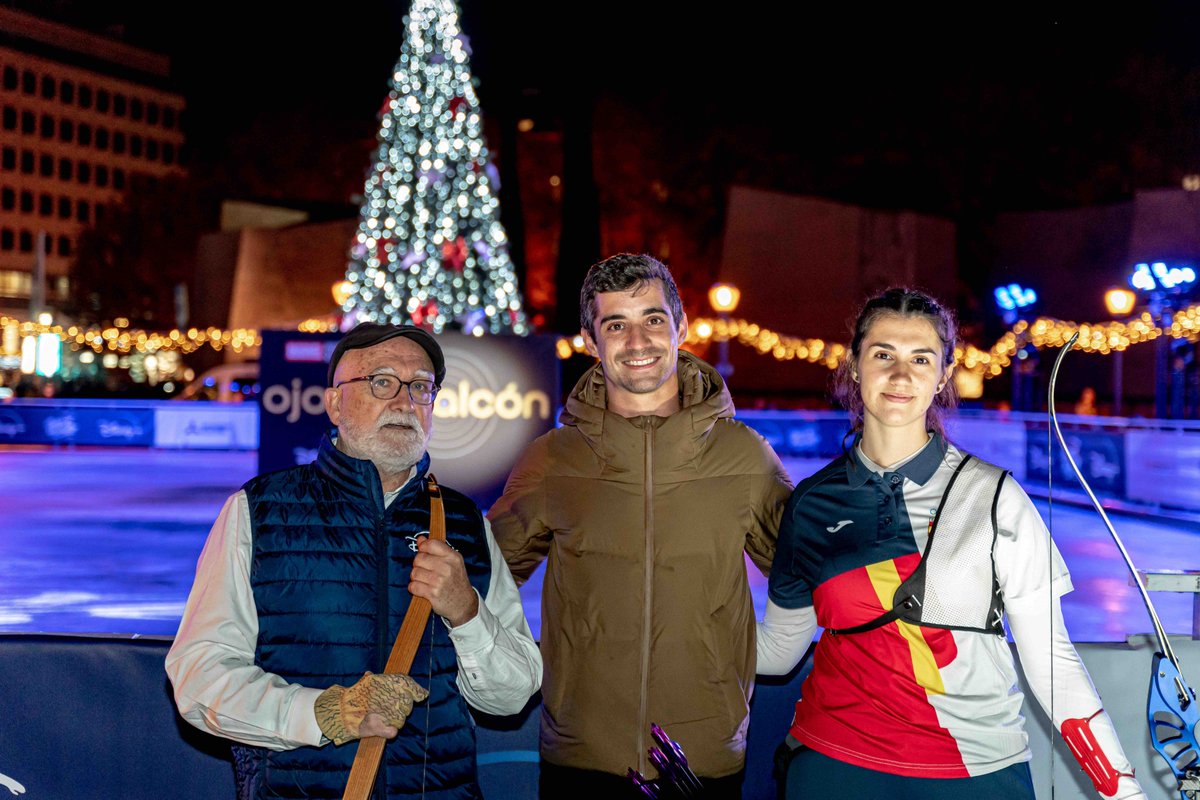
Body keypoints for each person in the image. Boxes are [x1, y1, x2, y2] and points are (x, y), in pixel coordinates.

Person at [757, 288, 1146, 799]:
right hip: (834, 764)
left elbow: (1051, 663)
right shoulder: (811, 504)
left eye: (921, 358)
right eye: (882, 355)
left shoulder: (994, 497)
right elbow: (780, 652)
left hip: (975, 771)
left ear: (943, 374)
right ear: (854, 365)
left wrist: (1123, 790)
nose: (901, 376)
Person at [166, 323, 542, 800]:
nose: (405, 402)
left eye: (421, 387)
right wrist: (325, 712)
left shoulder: (466, 523)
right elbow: (199, 677)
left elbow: (511, 696)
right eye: (381, 382)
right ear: (336, 404)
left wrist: (466, 611)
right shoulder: (259, 510)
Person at [488, 253, 793, 798]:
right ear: (589, 339)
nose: (638, 341)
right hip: (581, 761)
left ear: (680, 327)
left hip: (704, 761)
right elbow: (483, 577)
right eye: (616, 324)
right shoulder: (552, 460)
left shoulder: (744, 456)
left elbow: (810, 570)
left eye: (653, 319)